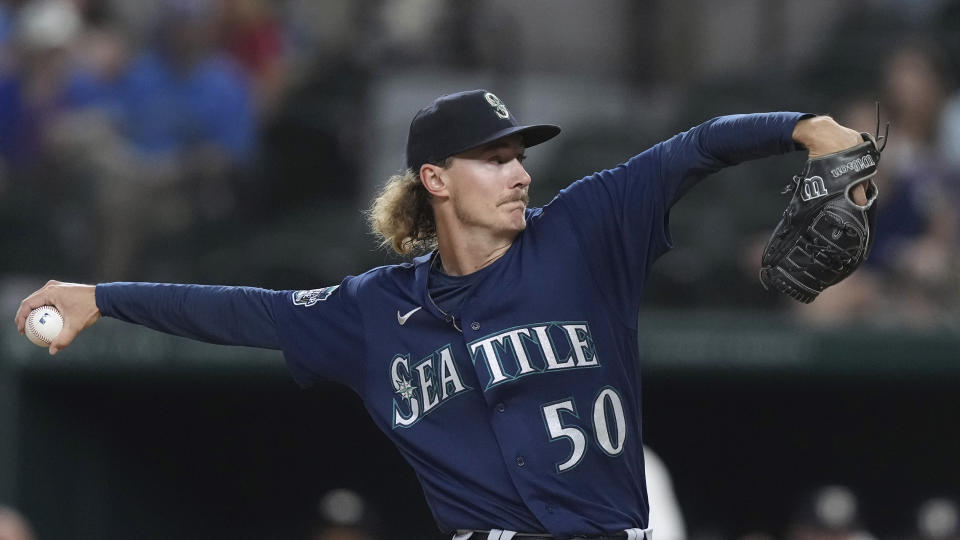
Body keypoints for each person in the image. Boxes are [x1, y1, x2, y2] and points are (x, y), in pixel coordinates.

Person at [14, 89, 867, 539]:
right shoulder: (372, 311)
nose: (520, 172)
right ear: (435, 178)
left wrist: (806, 128)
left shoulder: (586, 230)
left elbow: (696, 147)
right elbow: (245, 311)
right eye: (493, 159)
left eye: (520, 155)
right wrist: (101, 298)